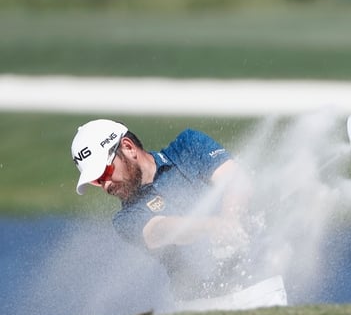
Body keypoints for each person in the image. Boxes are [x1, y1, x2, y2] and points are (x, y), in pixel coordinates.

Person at [70, 119, 274, 305]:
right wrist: (214, 226)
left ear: (128, 147)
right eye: (96, 181)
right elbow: (161, 230)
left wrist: (231, 220)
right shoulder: (125, 219)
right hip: (200, 304)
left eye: (105, 172)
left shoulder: (188, 146)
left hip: (258, 286)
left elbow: (235, 180)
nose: (105, 185)